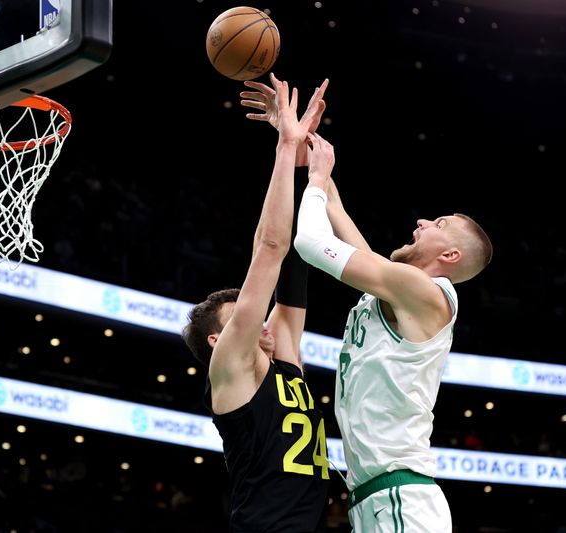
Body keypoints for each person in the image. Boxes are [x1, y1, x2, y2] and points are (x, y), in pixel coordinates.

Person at [293, 131, 493, 532]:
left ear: (450, 256)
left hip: (401, 498)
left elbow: (311, 243)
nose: (421, 221)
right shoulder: (395, 291)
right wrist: (300, 143)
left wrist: (315, 183)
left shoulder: (427, 293)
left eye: (437, 223)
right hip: (375, 499)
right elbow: (337, 212)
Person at [181, 73, 332, 533]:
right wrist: (284, 149)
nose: (263, 325)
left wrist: (306, 166)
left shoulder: (281, 355)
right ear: (217, 338)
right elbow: (270, 249)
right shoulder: (229, 366)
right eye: (245, 322)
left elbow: (295, 257)